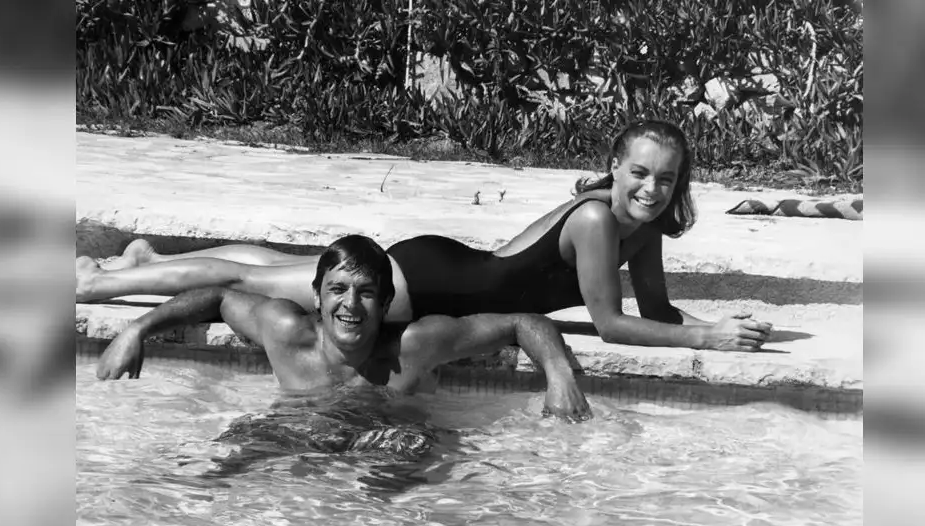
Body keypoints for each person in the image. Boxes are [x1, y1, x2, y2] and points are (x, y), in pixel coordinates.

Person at [79, 120, 772, 352]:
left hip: (448, 266)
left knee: (272, 264)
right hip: (426, 282)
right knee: (246, 283)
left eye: (667, 180)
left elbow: (655, 315)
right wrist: (707, 341)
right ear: (613, 169)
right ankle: (101, 283)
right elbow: (612, 325)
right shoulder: (596, 220)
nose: (652, 190)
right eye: (640, 175)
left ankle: (147, 258)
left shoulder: (640, 229)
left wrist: (713, 323)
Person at [97, 234, 592, 425]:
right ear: (316, 295)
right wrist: (138, 328)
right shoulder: (286, 331)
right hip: (297, 435)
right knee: (221, 468)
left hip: (391, 447)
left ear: (387, 301)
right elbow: (219, 297)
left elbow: (522, 322)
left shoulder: (416, 347)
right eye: (337, 290)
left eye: (366, 293)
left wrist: (559, 374)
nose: (349, 305)